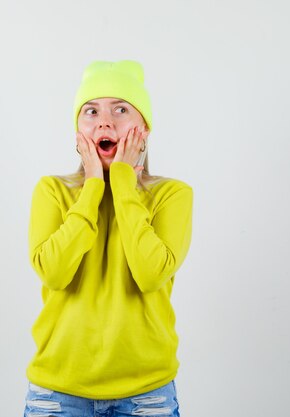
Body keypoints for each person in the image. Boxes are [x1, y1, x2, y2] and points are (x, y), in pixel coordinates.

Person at [23, 60, 193, 417]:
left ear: (144, 129)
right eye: (91, 110)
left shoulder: (172, 195)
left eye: (121, 109)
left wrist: (123, 183)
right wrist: (93, 186)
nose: (104, 121)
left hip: (146, 394)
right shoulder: (52, 191)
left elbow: (150, 274)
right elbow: (54, 273)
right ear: (77, 130)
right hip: (57, 392)